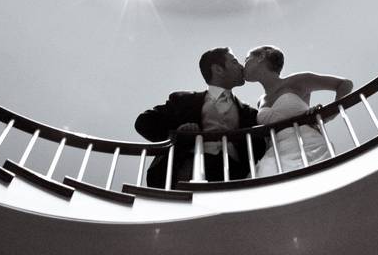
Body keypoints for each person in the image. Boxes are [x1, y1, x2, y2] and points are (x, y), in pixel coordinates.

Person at [135, 47, 266, 188]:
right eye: (234, 62)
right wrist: (177, 134)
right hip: (186, 168)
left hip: (234, 174)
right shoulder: (183, 100)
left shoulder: (249, 113)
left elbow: (259, 147)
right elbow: (144, 122)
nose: (241, 66)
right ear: (218, 69)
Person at [244, 45, 353, 177]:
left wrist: (327, 116)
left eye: (247, 59)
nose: (244, 64)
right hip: (275, 153)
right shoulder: (261, 101)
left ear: (261, 57)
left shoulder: (297, 80)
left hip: (307, 144)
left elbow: (344, 84)